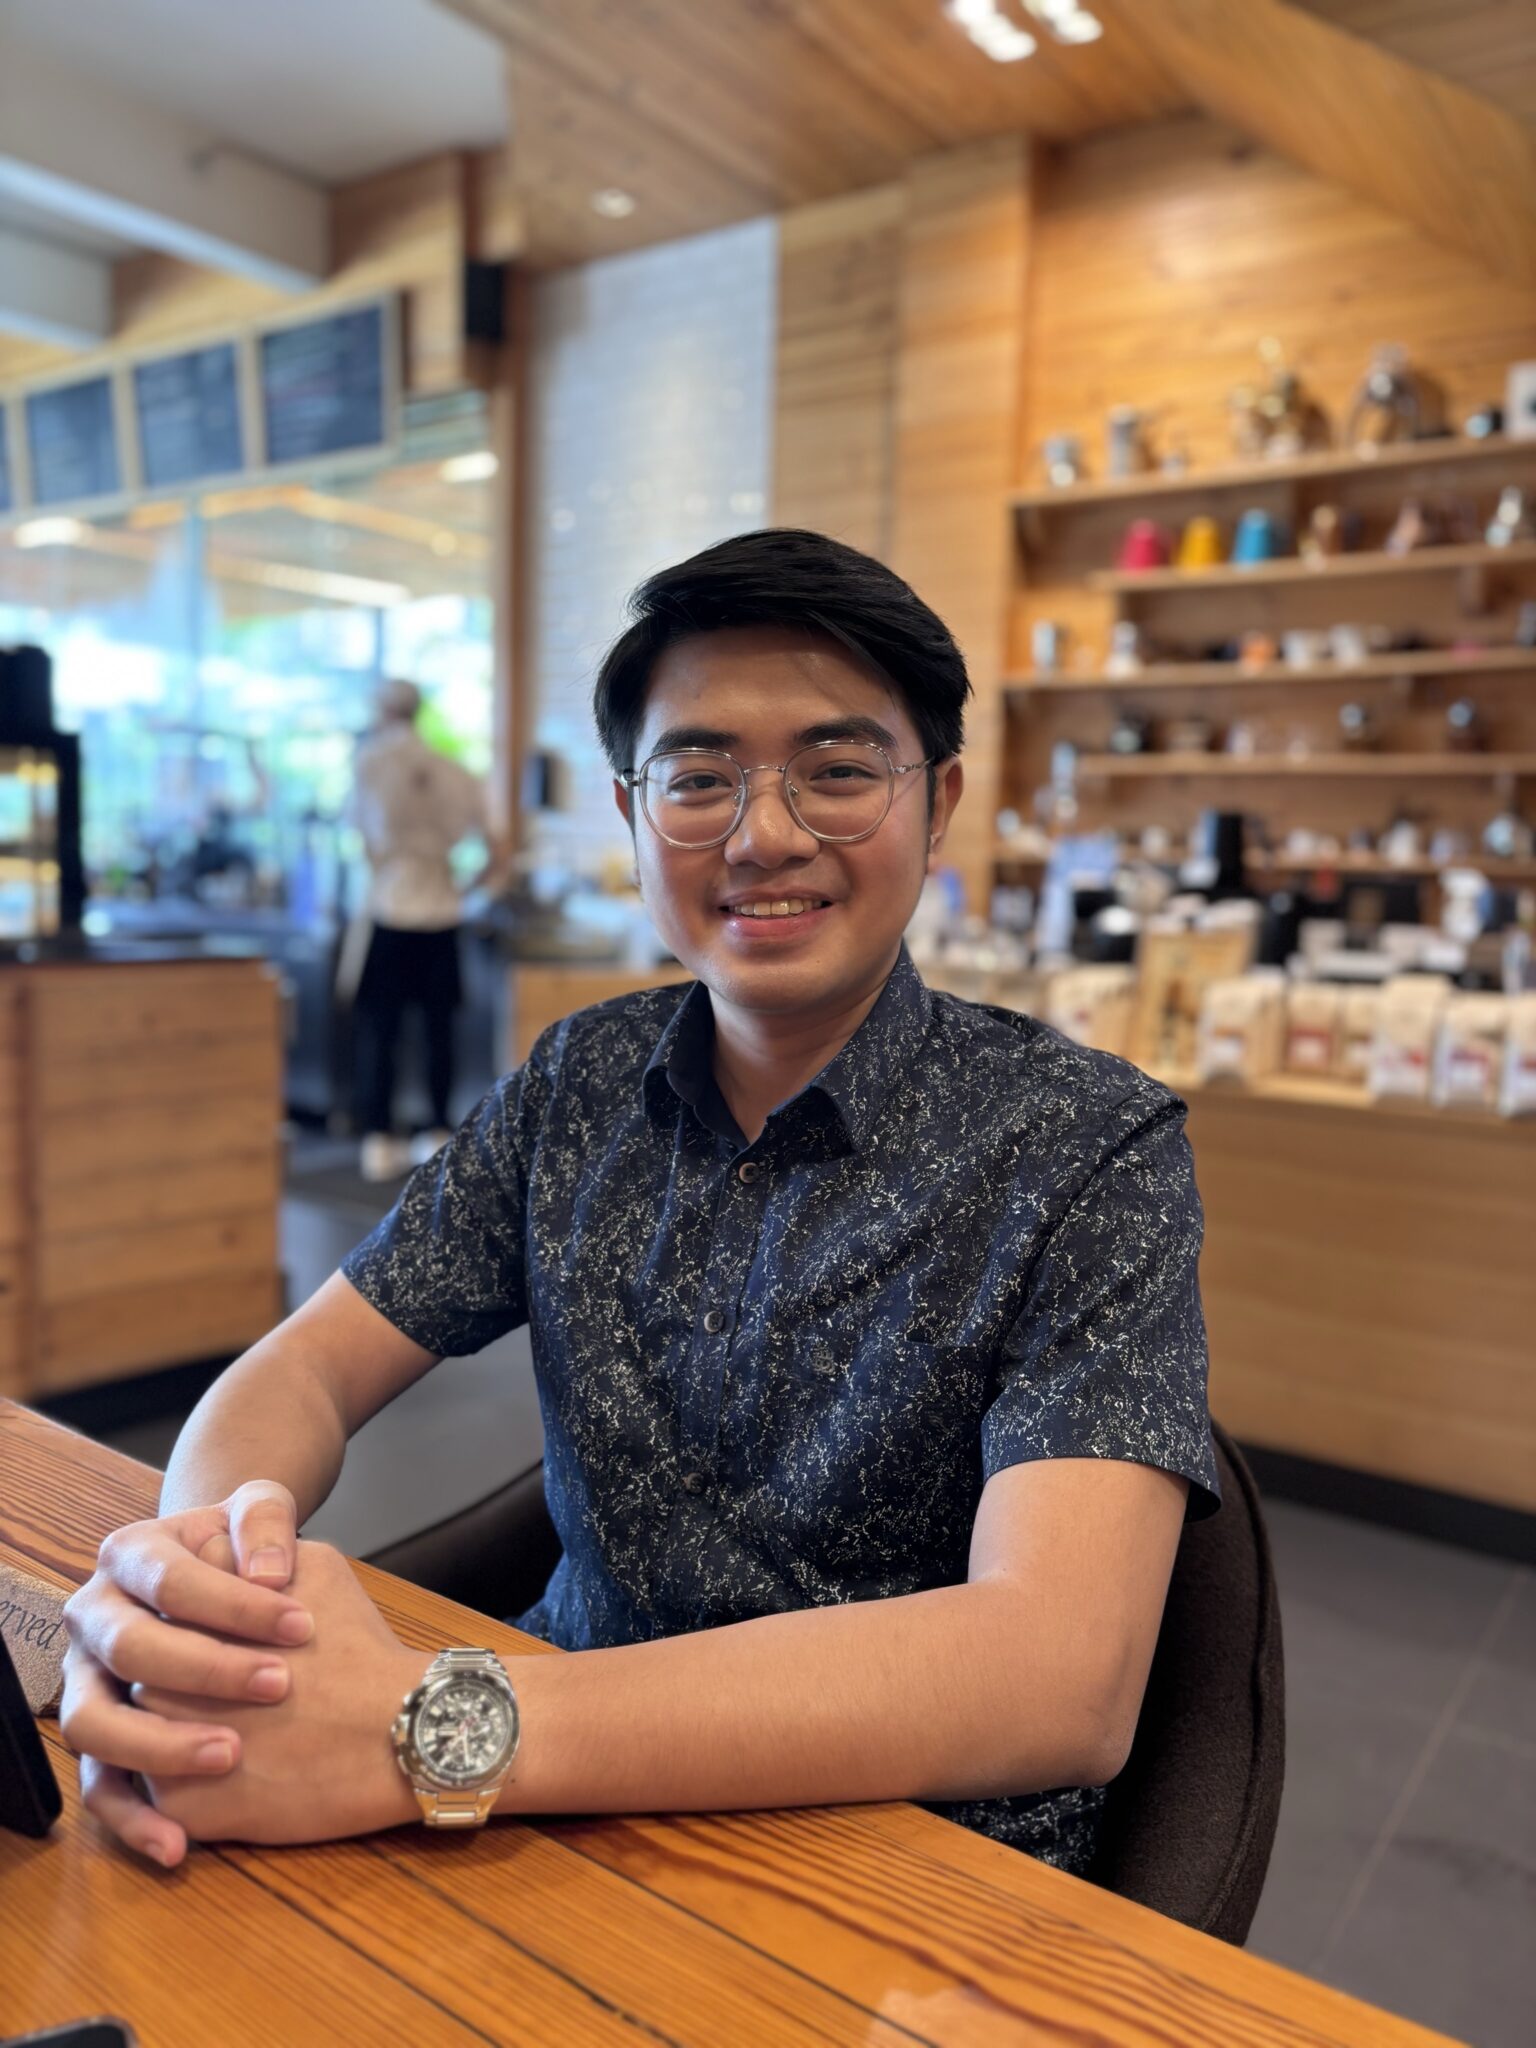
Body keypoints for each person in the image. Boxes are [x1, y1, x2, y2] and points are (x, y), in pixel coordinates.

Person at [59, 529, 1219, 1874]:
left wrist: (433, 1726)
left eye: (839, 773)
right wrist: (205, 1577)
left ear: (938, 799)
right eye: (700, 777)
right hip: (545, 1821)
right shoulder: (580, 1084)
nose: (765, 835)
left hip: (904, 1871)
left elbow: (1056, 1677)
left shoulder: (1089, 1145)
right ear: (631, 813)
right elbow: (308, 1365)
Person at [347, 678, 495, 1181]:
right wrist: (463, 886)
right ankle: (434, 1130)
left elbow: (360, 836)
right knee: (439, 1031)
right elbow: (495, 847)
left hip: (389, 909)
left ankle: (378, 1138)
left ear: (383, 710)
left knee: (381, 1032)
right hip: (442, 911)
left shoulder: (370, 762)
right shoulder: (454, 768)